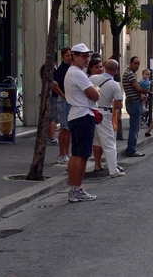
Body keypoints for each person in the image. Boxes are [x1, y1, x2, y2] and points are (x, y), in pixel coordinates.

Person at [64, 43, 100, 202]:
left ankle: (74, 189)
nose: (87, 59)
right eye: (84, 56)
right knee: (82, 155)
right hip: (83, 115)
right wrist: (95, 89)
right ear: (75, 56)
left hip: (77, 115)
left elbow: (91, 93)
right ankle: (76, 189)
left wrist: (92, 90)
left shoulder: (73, 72)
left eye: (88, 56)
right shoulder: (78, 73)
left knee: (77, 154)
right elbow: (96, 95)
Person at [89, 59, 125, 178]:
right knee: (110, 142)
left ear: (105, 67)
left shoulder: (92, 79)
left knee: (97, 139)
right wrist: (116, 112)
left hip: (91, 110)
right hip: (104, 112)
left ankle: (97, 164)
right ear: (116, 70)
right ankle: (113, 170)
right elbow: (118, 104)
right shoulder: (114, 84)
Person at [122, 56, 150, 157]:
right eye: (135, 63)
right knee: (134, 128)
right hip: (133, 103)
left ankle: (131, 148)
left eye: (138, 63)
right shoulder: (130, 74)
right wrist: (148, 91)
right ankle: (131, 150)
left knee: (134, 127)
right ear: (130, 63)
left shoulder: (130, 74)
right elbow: (138, 88)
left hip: (133, 102)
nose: (137, 65)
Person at [53, 46, 72, 164]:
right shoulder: (61, 69)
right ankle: (62, 154)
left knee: (68, 128)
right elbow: (54, 84)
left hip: (69, 100)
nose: (70, 57)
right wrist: (63, 95)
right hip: (64, 100)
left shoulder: (71, 68)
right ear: (62, 56)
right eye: (67, 55)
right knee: (64, 127)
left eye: (71, 55)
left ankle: (66, 152)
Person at [46, 52, 59, 145]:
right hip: (53, 95)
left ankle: (49, 136)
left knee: (51, 117)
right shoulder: (53, 70)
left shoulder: (46, 68)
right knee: (53, 117)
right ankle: (51, 137)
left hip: (50, 95)